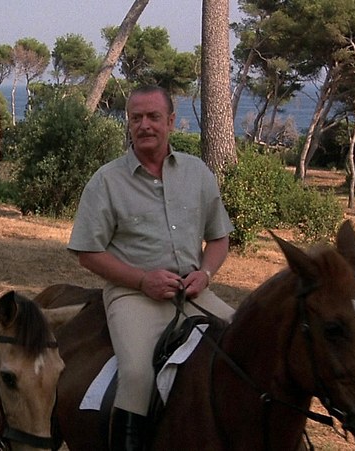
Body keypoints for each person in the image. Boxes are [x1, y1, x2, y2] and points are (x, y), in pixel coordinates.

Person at [67, 85, 235, 451]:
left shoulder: (197, 173)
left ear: (171, 122)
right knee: (137, 374)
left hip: (193, 293)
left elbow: (219, 238)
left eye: (153, 117)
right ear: (128, 123)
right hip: (133, 296)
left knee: (243, 346)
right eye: (136, 118)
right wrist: (143, 280)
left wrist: (205, 274)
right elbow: (87, 252)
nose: (145, 125)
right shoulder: (106, 181)